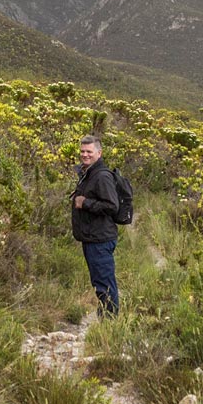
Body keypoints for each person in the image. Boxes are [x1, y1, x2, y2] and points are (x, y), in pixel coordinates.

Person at [70, 134, 120, 314]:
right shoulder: (88, 173)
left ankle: (110, 324)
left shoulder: (102, 176)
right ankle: (106, 318)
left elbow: (112, 206)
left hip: (100, 239)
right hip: (92, 238)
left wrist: (86, 203)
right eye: (82, 151)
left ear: (99, 153)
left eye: (89, 151)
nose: (85, 155)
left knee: (104, 283)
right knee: (100, 282)